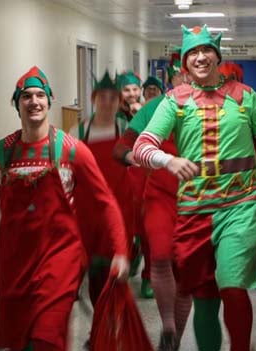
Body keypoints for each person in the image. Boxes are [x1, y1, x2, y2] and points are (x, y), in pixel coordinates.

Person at [133, 25, 256, 351]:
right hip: (194, 209)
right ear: (185, 61)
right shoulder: (174, 101)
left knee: (233, 286)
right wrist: (167, 161)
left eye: (206, 50)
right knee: (205, 296)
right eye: (192, 53)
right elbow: (143, 146)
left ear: (217, 55)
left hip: (242, 205)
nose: (200, 57)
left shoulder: (245, 96)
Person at [0, 66, 129, 351]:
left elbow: (105, 201)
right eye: (27, 96)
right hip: (14, 266)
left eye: (40, 96)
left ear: (49, 101)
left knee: (47, 338)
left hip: (60, 262)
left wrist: (120, 250)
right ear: (16, 103)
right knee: (20, 341)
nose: (34, 101)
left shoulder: (71, 149)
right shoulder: (2, 152)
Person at [114, 58, 191, 350]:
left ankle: (175, 337)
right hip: (159, 195)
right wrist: (138, 157)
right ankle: (168, 326)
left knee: (186, 271)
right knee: (159, 256)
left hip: (198, 198)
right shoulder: (153, 108)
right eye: (180, 76)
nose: (185, 81)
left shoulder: (211, 108)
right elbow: (122, 147)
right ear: (172, 79)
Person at [74, 70, 135, 307]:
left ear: (119, 102)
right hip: (89, 212)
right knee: (96, 272)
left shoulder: (126, 130)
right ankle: (100, 328)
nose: (107, 103)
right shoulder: (77, 133)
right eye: (103, 97)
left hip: (121, 209)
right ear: (93, 99)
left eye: (112, 98)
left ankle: (110, 328)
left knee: (117, 270)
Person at [116, 70, 154, 298]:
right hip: (120, 179)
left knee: (148, 229)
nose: (131, 94)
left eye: (134, 90)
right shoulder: (111, 117)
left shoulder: (149, 112)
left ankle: (149, 277)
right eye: (126, 90)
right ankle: (133, 250)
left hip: (145, 178)